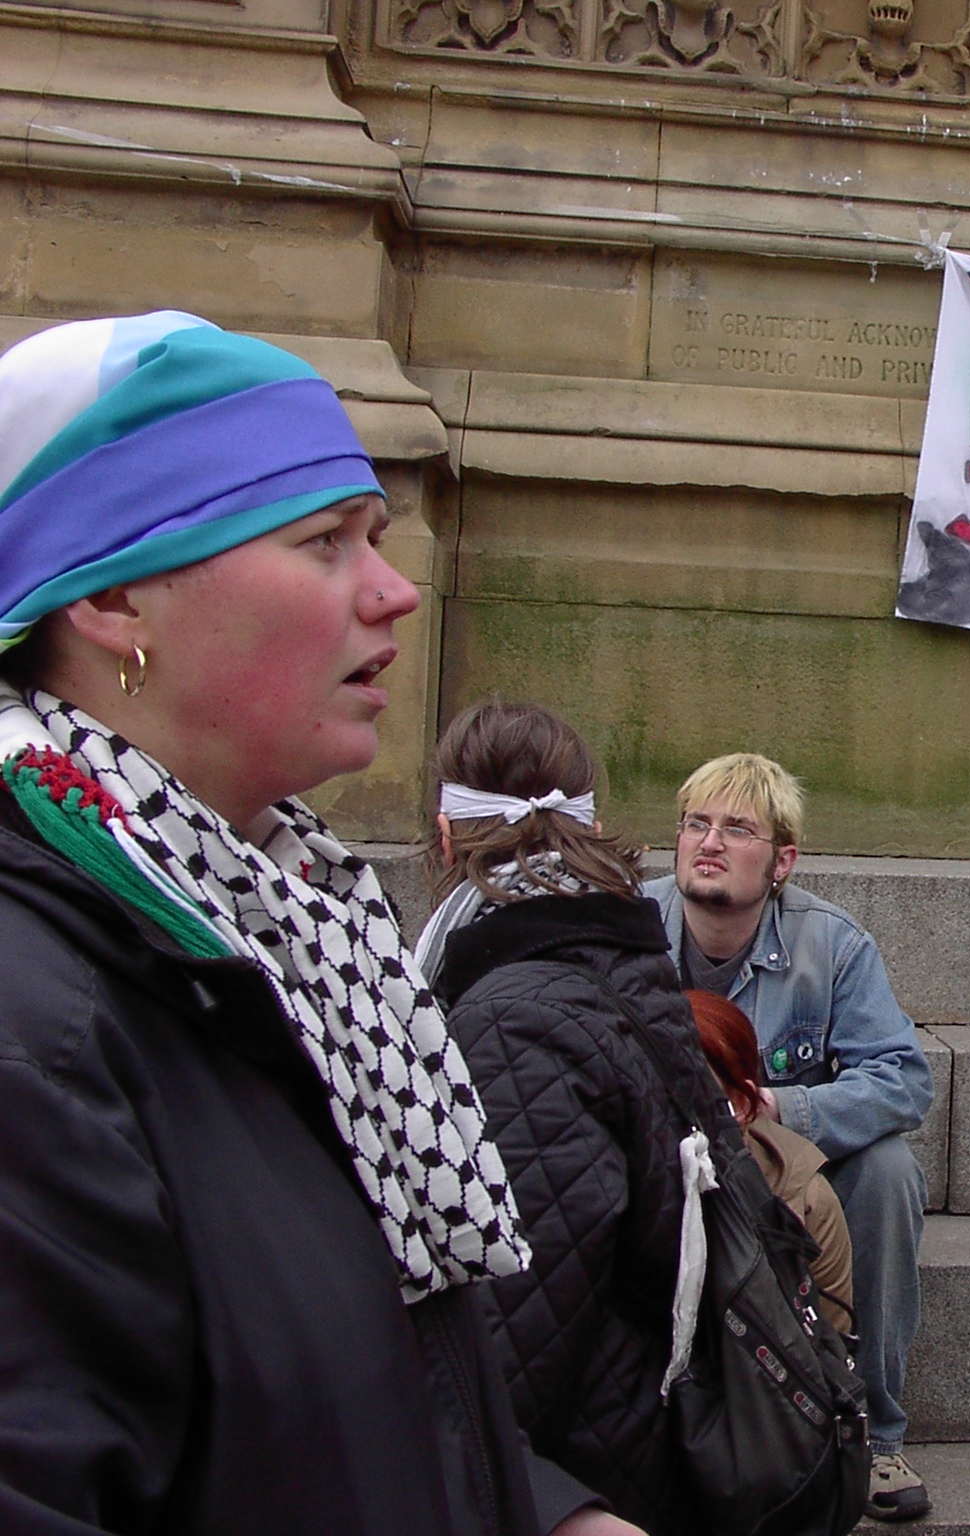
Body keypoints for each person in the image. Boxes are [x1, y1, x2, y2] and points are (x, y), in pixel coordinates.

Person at [0, 313, 625, 1535]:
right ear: (118, 599)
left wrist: (540, 1512)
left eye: (377, 541)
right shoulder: (38, 1029)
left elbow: (317, 1390)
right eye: (323, 543)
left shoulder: (292, 926)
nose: (395, 591)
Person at [417, 700, 742, 1534]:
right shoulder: (618, 963)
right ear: (590, 825)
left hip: (590, 1476)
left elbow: (511, 1351)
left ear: (447, 840)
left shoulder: (514, 1016)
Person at [644, 754, 934, 1522]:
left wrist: (774, 1105)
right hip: (653, 1162)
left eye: (737, 828)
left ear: (782, 860)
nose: (709, 842)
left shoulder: (831, 946)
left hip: (772, 1171)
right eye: (695, 824)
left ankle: (869, 1432)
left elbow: (904, 1080)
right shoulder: (627, 927)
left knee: (887, 1170)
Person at [689, 988, 857, 1337]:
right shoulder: (611, 1172)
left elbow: (830, 1348)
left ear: (743, 1105)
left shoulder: (804, 1195)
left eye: (693, 1091)